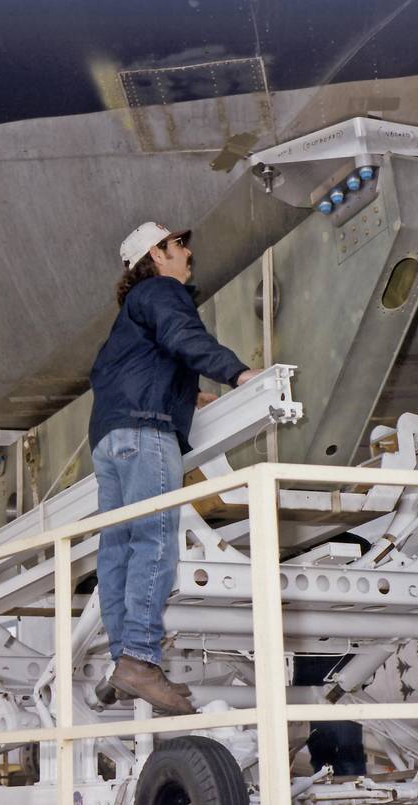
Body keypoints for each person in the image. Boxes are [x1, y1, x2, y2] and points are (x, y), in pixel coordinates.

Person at [89, 221, 259, 715]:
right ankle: (141, 658)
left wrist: (188, 394)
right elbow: (182, 335)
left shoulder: (129, 316)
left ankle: (126, 659)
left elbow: (137, 368)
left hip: (111, 439)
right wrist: (239, 373)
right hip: (145, 434)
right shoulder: (161, 291)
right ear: (155, 256)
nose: (188, 253)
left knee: (118, 548)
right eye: (178, 245)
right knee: (156, 539)